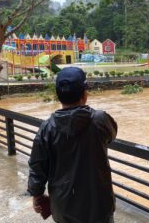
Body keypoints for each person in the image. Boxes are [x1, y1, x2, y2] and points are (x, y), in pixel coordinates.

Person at [28, 67, 118, 223]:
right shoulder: (100, 120)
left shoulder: (47, 127)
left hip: (63, 207)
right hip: (98, 205)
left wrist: (37, 194)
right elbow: (111, 136)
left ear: (58, 95)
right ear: (84, 94)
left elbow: (37, 165)